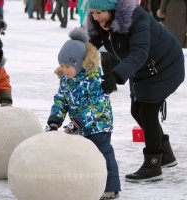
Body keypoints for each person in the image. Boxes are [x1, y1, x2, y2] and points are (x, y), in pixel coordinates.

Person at [87, 0, 185, 182]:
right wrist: (80, 58)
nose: (95, 17)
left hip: (165, 66)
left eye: (99, 12)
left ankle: (153, 165)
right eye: (93, 12)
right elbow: (94, 44)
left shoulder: (136, 18)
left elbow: (139, 52)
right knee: (136, 110)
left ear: (112, 9)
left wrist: (115, 76)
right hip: (142, 68)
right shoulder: (101, 22)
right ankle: (166, 154)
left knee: (147, 112)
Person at [46, 28, 121, 199]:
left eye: (68, 66)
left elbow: (98, 105)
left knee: (103, 152)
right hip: (78, 126)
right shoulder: (66, 80)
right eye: (62, 65)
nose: (64, 70)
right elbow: (61, 100)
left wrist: (79, 122)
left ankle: (110, 186)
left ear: (80, 63)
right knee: (81, 155)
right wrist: (55, 120)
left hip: (98, 125)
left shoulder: (95, 80)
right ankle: (86, 183)